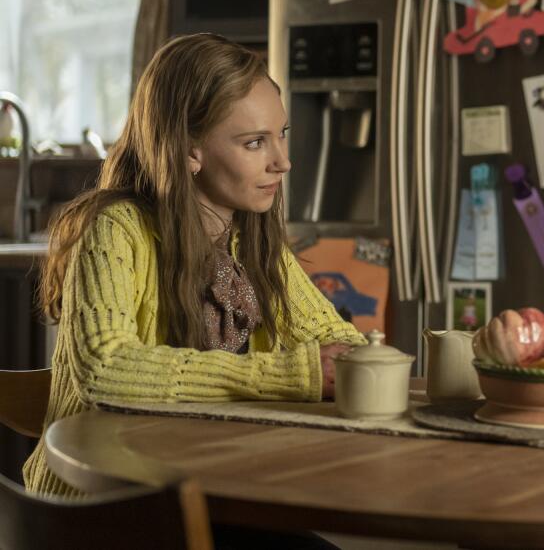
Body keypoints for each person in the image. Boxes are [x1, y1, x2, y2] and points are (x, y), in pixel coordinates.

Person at [22, 36, 366, 525]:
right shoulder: (117, 231)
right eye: (255, 143)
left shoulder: (249, 241)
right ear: (189, 151)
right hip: (99, 512)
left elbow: (338, 347)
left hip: (201, 496)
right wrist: (289, 376)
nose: (282, 161)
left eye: (281, 133)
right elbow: (105, 369)